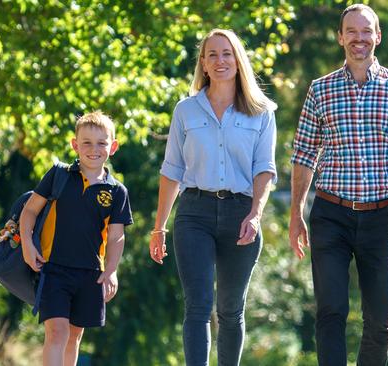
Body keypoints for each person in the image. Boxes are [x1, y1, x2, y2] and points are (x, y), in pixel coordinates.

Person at [288, 4, 388, 365]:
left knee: (381, 317)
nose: (359, 39)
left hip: (381, 216)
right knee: (331, 310)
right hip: (330, 214)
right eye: (351, 31)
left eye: (366, 31)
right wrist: (296, 215)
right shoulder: (321, 90)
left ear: (378, 36)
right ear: (340, 37)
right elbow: (304, 155)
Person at [149, 28, 277, 366]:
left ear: (238, 60)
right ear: (203, 64)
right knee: (198, 306)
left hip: (241, 215)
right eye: (212, 55)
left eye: (227, 54)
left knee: (231, 310)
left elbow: (264, 169)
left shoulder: (262, 112)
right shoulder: (185, 111)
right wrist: (159, 227)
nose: (220, 61)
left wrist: (255, 214)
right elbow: (171, 169)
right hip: (194, 213)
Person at [19, 111, 133, 366]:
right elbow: (29, 211)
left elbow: (116, 237)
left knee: (73, 336)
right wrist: (27, 243)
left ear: (112, 147)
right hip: (54, 268)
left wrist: (112, 271)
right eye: (87, 143)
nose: (94, 149)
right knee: (56, 331)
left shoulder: (117, 191)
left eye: (102, 143)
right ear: (75, 145)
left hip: (90, 273)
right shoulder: (59, 175)